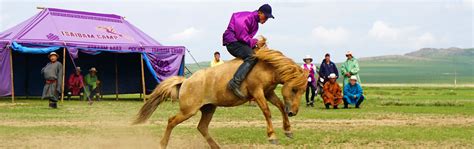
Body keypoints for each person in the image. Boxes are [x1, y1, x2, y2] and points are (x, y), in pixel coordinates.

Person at [223, 4, 274, 99]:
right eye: (266, 17)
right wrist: (255, 42)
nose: (266, 20)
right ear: (260, 13)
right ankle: (235, 82)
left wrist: (256, 45)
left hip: (239, 42)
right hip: (232, 42)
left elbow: (247, 39)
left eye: (268, 18)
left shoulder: (255, 23)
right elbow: (242, 36)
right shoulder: (245, 18)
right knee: (251, 57)